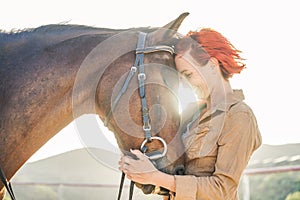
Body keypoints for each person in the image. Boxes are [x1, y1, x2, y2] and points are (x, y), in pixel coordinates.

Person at [119, 28, 262, 200]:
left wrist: (154, 176)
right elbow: (176, 181)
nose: (186, 84)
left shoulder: (239, 116)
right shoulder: (191, 115)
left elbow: (223, 190)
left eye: (188, 75)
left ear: (212, 64)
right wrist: (141, 171)